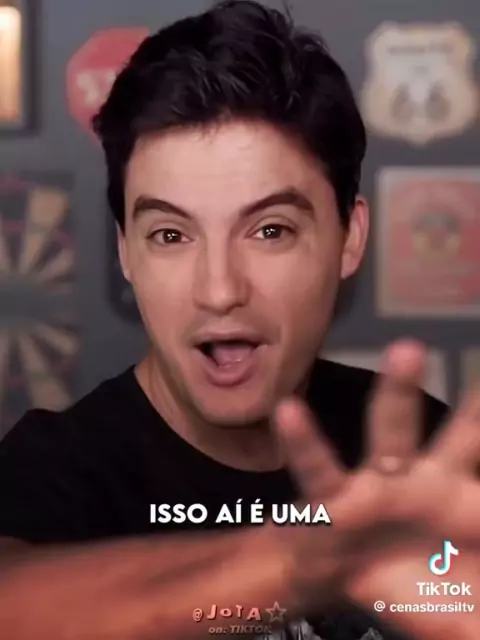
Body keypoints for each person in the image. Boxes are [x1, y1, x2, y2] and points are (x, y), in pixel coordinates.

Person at [0, 2, 478, 639]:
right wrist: (306, 562)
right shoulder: (54, 471)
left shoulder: (421, 449)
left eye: (270, 230)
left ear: (349, 236)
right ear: (126, 251)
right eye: (171, 235)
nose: (220, 290)